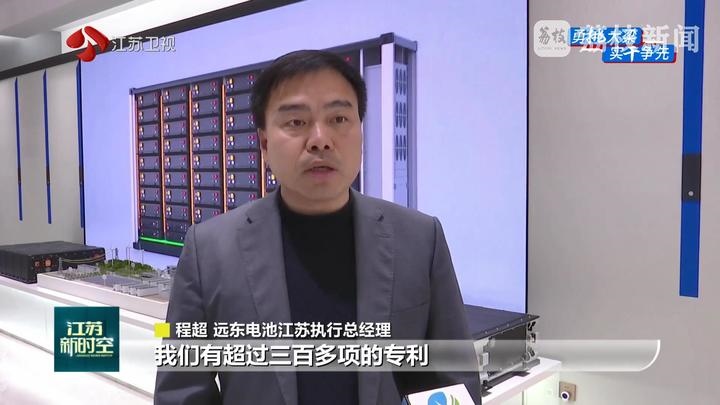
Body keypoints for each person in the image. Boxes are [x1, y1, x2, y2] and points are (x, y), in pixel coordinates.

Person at [154, 50, 481, 405]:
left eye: (339, 118)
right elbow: (181, 393)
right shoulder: (208, 250)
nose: (320, 139)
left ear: (360, 133)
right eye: (296, 122)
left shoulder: (420, 239)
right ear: (264, 144)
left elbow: (453, 383)